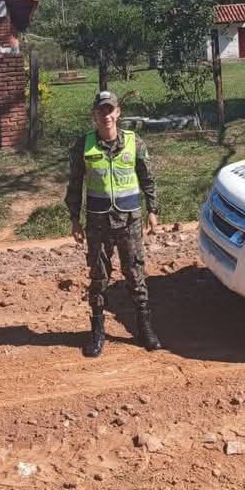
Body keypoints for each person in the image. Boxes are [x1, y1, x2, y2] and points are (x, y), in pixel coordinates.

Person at [65, 90, 161, 357]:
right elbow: (75, 184)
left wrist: (152, 210)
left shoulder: (134, 142)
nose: (106, 116)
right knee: (99, 277)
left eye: (110, 110)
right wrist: (74, 219)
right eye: (100, 111)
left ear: (118, 113)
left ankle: (145, 328)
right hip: (97, 222)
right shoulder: (84, 146)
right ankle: (97, 332)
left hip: (130, 221)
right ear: (94, 116)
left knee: (135, 274)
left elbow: (147, 178)